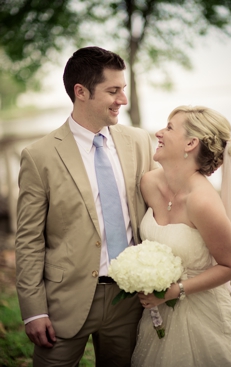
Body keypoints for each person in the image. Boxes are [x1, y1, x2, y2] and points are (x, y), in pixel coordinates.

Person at [15, 46, 156, 365]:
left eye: (124, 89)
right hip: (65, 303)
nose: (123, 99)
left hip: (130, 301)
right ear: (81, 92)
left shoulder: (139, 142)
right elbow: (28, 240)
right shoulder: (40, 157)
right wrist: (33, 310)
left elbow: (164, 203)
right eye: (113, 90)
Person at [131, 105, 231, 366]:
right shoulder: (149, 184)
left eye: (169, 128)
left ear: (191, 143)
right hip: (156, 309)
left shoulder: (203, 202)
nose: (159, 132)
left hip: (198, 311)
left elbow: (230, 266)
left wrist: (174, 291)